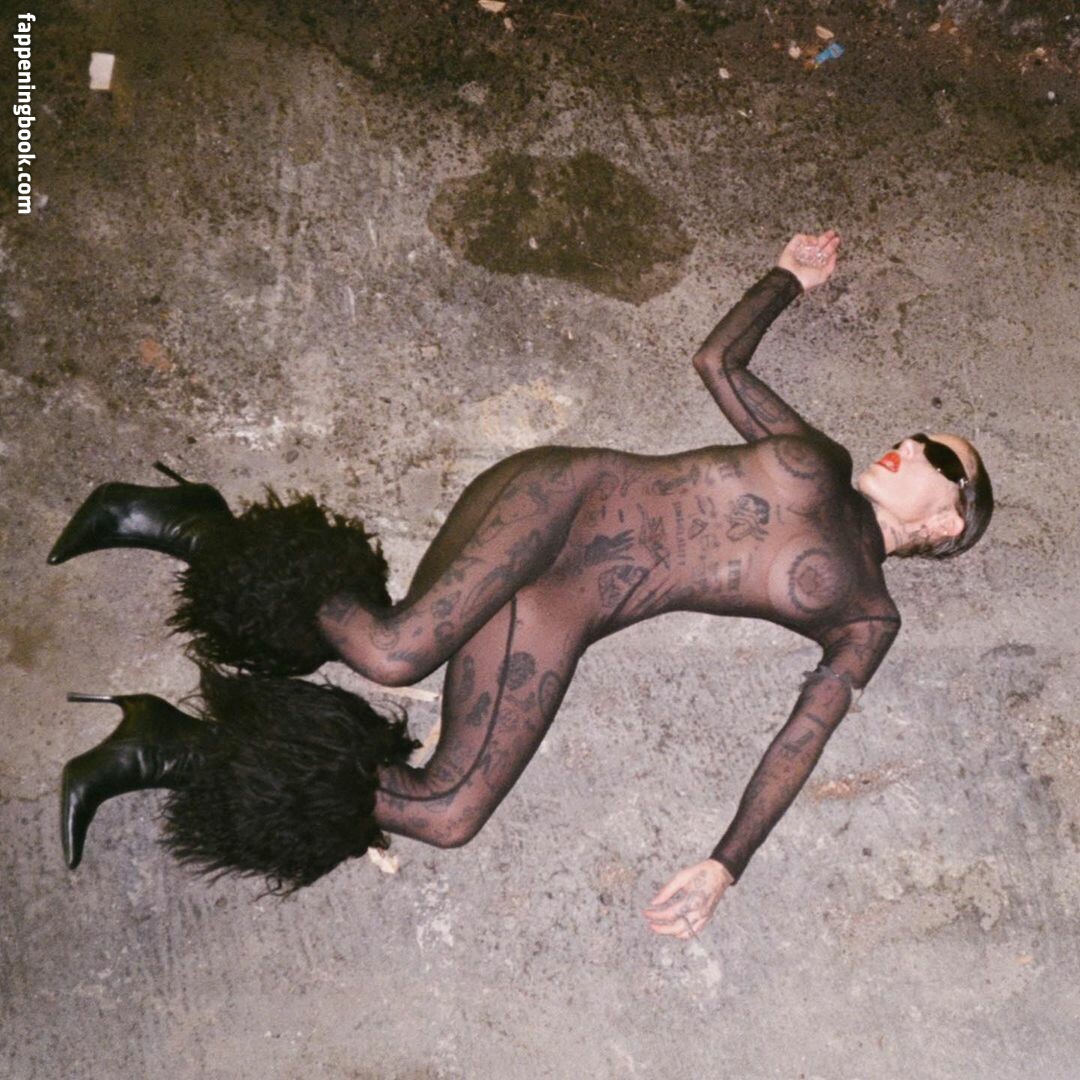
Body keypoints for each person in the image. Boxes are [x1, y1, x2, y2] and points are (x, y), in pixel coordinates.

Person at [50, 230, 993, 936]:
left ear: (949, 522)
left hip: (563, 608)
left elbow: (802, 738)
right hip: (559, 499)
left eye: (937, 458)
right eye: (916, 435)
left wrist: (725, 864)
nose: (909, 446)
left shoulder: (868, 616)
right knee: (392, 652)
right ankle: (192, 525)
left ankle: (170, 748)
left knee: (448, 812)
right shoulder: (819, 454)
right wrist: (788, 277)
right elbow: (718, 361)